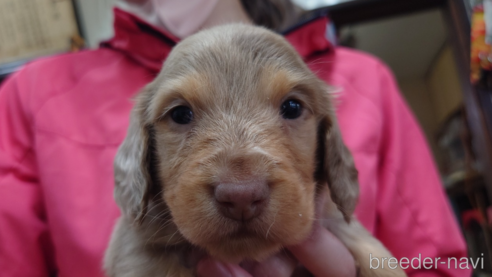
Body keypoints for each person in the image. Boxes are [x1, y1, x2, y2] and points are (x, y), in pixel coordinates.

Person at [0, 0, 471, 276]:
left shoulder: (364, 80)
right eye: (181, 114)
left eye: (291, 109)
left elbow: (432, 267)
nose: (241, 188)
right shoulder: (32, 96)